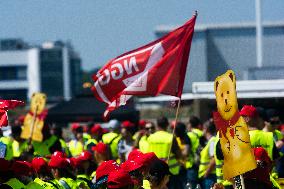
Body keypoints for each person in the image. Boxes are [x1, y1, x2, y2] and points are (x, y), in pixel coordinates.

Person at [147, 116, 182, 189]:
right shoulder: (171, 137)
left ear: (157, 125)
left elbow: (148, 154)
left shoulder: (150, 138)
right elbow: (179, 154)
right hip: (171, 172)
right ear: (167, 125)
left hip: (154, 172)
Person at [174, 121, 195, 188]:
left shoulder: (186, 138)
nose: (174, 132)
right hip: (179, 167)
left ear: (180, 131)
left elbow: (185, 153)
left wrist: (177, 152)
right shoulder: (176, 138)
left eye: (176, 131)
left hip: (187, 167)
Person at [198, 119, 217, 189]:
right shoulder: (211, 141)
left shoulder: (212, 141)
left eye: (203, 129)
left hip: (210, 176)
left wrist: (206, 173)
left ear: (206, 129)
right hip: (210, 175)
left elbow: (214, 159)